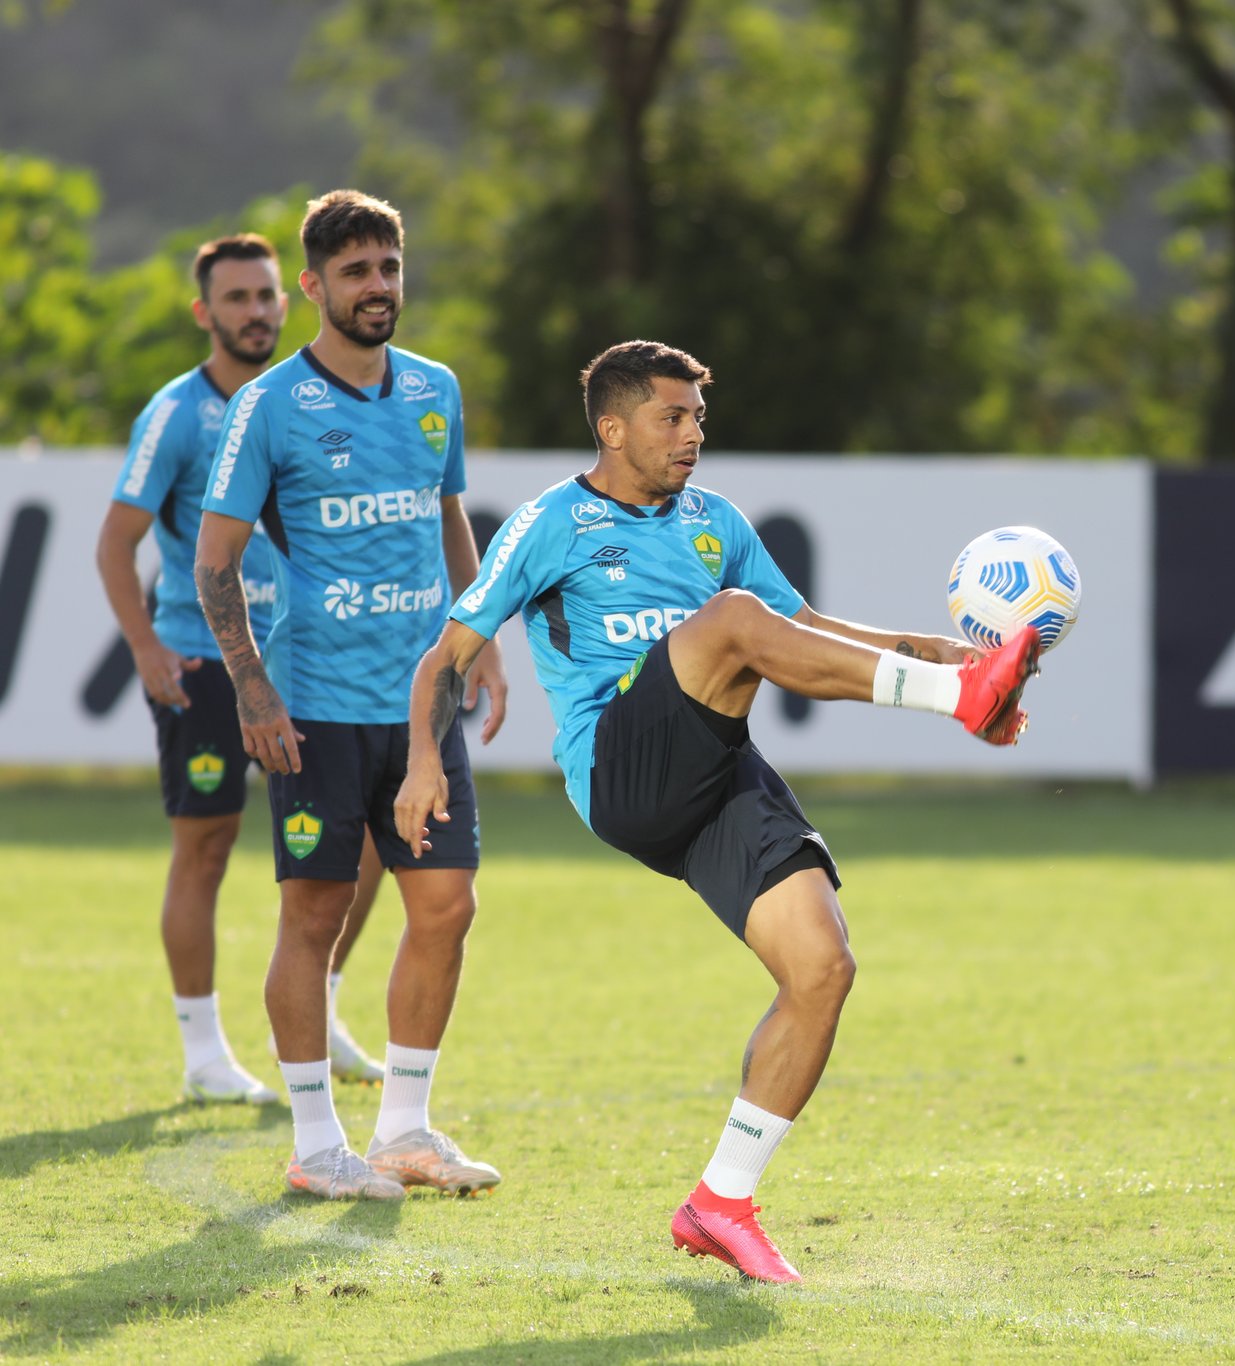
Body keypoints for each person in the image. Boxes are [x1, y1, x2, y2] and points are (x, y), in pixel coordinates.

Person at [395, 340, 1041, 1282]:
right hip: (620, 769)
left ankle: (721, 1201)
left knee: (822, 968)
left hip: (711, 766)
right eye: (672, 417)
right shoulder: (553, 523)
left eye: (699, 416)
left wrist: (937, 651)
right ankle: (962, 705)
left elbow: (804, 633)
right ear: (612, 428)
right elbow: (446, 657)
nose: (693, 433)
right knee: (730, 620)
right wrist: (423, 761)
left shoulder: (715, 521)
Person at [195, 191, 508, 1201]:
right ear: (314, 288)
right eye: (356, 272)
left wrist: (480, 631)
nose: (378, 288)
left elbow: (447, 513)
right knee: (314, 914)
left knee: (446, 904)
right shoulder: (271, 405)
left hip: (422, 707)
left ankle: (407, 1129)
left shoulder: (434, 390)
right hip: (316, 706)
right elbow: (214, 564)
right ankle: (314, 1141)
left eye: (389, 268)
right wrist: (252, 690)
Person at [95, 232, 386, 1104]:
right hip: (206, 660)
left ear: (286, 299)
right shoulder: (178, 413)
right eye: (236, 299)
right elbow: (116, 544)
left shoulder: (301, 400)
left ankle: (320, 1006)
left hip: (314, 657)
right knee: (208, 847)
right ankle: (203, 1054)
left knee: (366, 841)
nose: (255, 312)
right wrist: (147, 649)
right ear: (205, 313)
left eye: (266, 295)